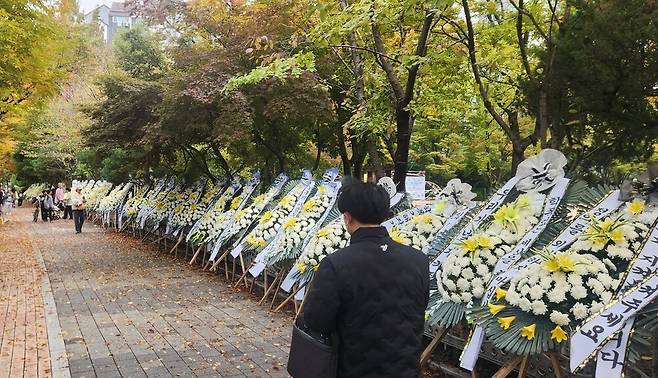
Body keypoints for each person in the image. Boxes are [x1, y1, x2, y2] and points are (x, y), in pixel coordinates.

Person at [299, 181, 430, 378]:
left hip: (352, 368)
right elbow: (419, 307)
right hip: (405, 368)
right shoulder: (418, 260)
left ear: (347, 217)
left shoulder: (337, 263)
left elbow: (317, 321)